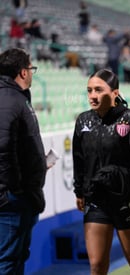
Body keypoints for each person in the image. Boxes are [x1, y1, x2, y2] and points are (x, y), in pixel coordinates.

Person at [72, 69, 130, 275]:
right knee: (96, 265)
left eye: (98, 90)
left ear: (115, 92)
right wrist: (79, 191)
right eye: (89, 91)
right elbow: (78, 159)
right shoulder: (83, 121)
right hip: (96, 200)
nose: (92, 96)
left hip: (127, 200)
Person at [0, 48, 47, 274]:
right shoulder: (11, 99)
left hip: (15, 196)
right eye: (31, 68)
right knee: (8, 261)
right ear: (22, 72)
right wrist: (16, 189)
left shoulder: (13, 98)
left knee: (15, 258)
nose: (32, 73)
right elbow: (3, 148)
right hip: (12, 200)